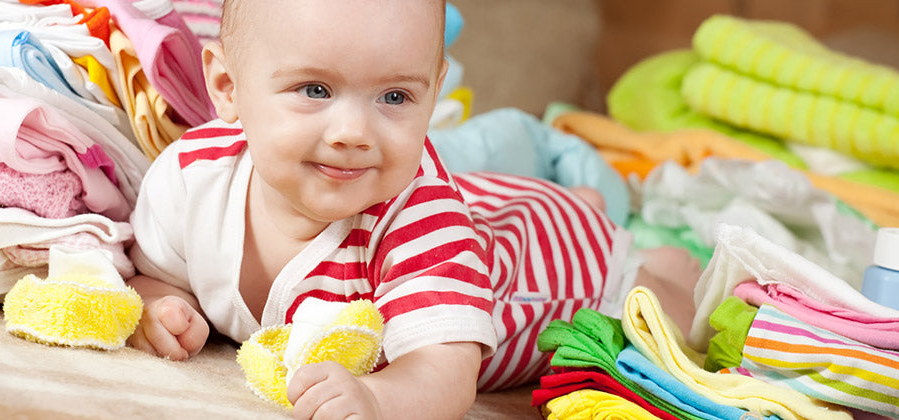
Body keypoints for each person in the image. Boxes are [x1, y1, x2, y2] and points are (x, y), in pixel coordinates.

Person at [126, 1, 702, 418]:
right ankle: (582, 204)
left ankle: (644, 254)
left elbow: (443, 371)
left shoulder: (421, 222)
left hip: (551, 268)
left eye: (395, 96)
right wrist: (159, 308)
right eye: (314, 90)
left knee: (667, 310)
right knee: (481, 205)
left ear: (432, 91)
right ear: (227, 85)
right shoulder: (192, 178)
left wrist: (378, 399)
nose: (353, 131)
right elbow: (154, 274)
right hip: (479, 209)